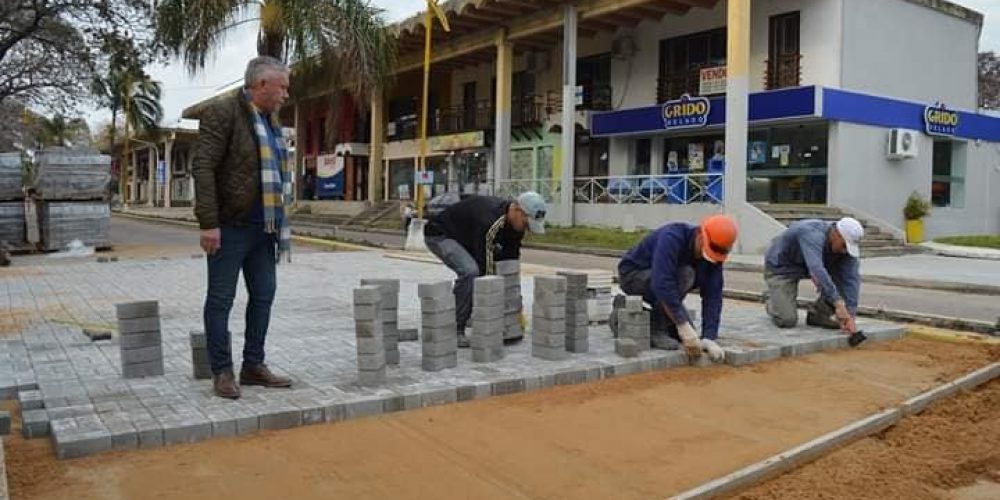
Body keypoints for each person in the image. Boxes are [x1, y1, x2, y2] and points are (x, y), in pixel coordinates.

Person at [193, 56, 294, 399]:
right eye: (282, 87)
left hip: (264, 228)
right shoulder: (223, 113)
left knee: (263, 295)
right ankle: (222, 372)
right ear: (262, 84)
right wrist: (209, 223)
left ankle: (253, 365)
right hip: (230, 226)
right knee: (221, 300)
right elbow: (203, 166)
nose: (285, 94)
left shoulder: (269, 119)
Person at [424, 191, 547, 347]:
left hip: (466, 237)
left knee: (480, 274)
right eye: (526, 223)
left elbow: (510, 264)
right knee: (471, 272)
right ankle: (453, 329)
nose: (527, 228)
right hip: (440, 234)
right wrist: (491, 308)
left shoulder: (515, 226)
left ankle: (469, 312)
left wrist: (514, 310)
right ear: (516, 210)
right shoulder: (490, 222)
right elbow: (486, 268)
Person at [612, 215, 739, 361]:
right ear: (700, 235)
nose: (708, 257)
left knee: (687, 333)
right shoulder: (672, 237)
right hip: (633, 275)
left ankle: (623, 306)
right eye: (708, 250)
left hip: (662, 281)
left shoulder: (714, 255)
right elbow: (662, 283)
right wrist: (682, 324)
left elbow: (713, 295)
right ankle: (656, 327)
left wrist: (709, 337)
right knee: (686, 275)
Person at [763, 217, 864, 334]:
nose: (845, 251)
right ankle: (772, 301)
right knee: (786, 320)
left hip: (813, 265)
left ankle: (818, 313)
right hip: (783, 267)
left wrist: (850, 315)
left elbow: (851, 279)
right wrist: (838, 304)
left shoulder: (844, 251)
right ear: (836, 234)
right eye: (844, 246)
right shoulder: (811, 234)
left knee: (841, 278)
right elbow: (816, 270)